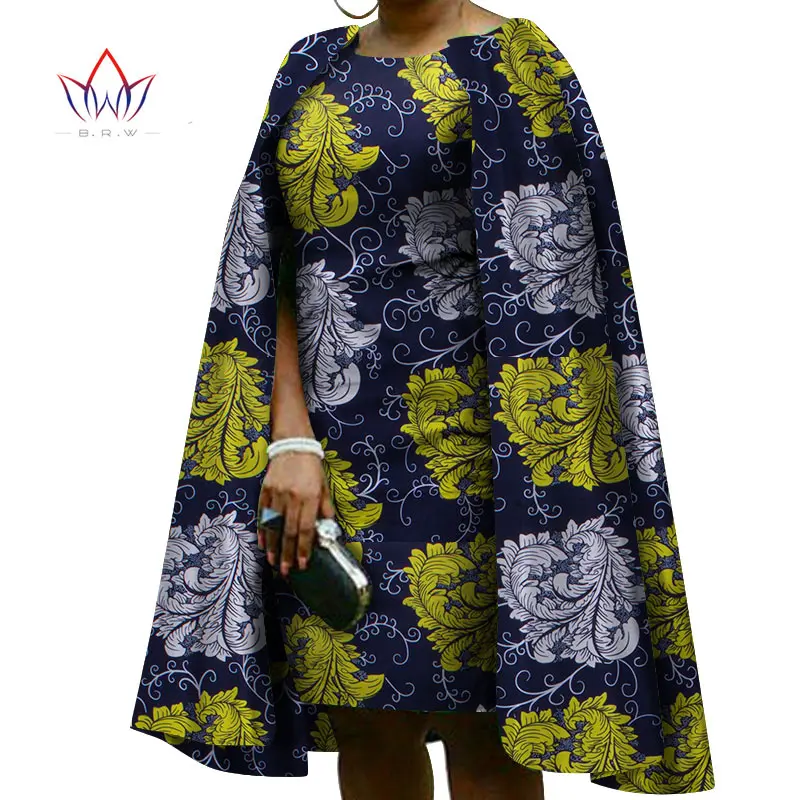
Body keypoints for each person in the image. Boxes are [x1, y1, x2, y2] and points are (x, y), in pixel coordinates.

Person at [130, 2, 714, 797]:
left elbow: (558, 288)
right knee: (367, 713)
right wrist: (289, 438)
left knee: (485, 726)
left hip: (476, 462)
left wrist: (541, 481)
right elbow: (265, 261)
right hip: (330, 454)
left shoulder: (515, 59)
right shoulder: (310, 65)